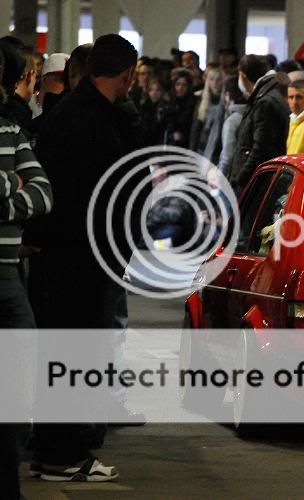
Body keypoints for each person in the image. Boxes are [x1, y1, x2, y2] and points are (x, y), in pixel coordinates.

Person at [32, 33, 147, 482]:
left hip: (75, 254)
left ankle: (54, 451)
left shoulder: (76, 115)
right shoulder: (90, 122)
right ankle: (65, 455)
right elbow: (95, 195)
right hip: (80, 258)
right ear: (126, 73)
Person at [0, 45, 53, 499]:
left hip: (8, 275)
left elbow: (42, 193)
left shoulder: (10, 128)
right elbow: (22, 186)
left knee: (17, 386)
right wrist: (8, 185)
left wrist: (9, 198)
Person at [229, 54, 289, 192]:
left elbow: (260, 148)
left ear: (243, 76)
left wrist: (240, 178)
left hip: (256, 184)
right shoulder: (272, 93)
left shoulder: (265, 101)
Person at [189, 66, 224, 163]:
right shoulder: (201, 101)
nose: (215, 83)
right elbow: (195, 129)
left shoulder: (227, 101)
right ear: (207, 81)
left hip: (219, 150)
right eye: (212, 79)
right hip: (202, 148)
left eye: (218, 79)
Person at [218, 77, 247, 175]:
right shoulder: (251, 114)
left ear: (228, 95)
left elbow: (227, 155)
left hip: (231, 176)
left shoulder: (232, 121)